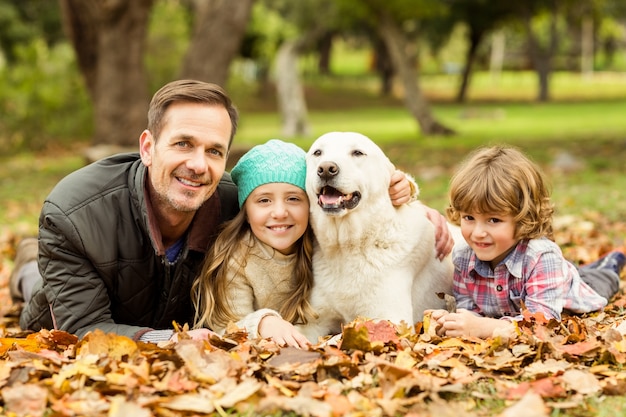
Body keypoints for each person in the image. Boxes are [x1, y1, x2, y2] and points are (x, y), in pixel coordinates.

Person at [9, 79, 453, 343]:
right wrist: (172, 341)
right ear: (147, 146)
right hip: (90, 309)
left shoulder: (237, 199)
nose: (198, 165)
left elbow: (327, 201)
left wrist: (408, 206)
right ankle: (31, 263)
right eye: (182, 144)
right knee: (37, 290)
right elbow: (84, 329)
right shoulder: (73, 216)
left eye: (214, 151)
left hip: (171, 312)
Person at [428, 146, 624, 339]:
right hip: (549, 278)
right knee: (572, 269)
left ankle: (612, 261)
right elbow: (470, 310)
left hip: (576, 290)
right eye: (469, 218)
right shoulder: (463, 255)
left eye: (494, 220)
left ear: (523, 218)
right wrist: (454, 321)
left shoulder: (541, 257)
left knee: (603, 278)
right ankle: (578, 269)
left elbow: (543, 324)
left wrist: (487, 328)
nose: (478, 233)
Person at [191, 139, 313, 348]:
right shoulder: (237, 257)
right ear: (246, 212)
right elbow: (226, 328)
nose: (280, 212)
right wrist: (264, 323)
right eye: (264, 200)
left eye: (293, 198)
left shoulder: (322, 246)